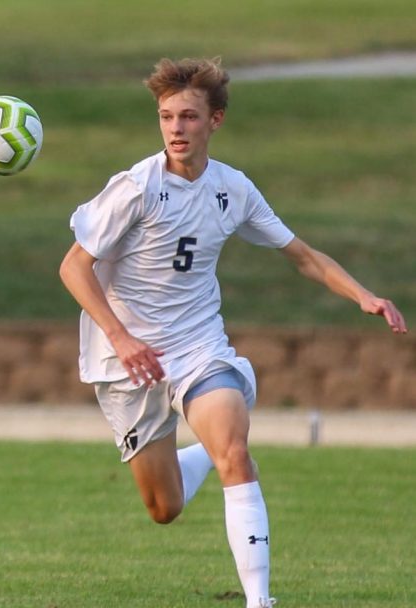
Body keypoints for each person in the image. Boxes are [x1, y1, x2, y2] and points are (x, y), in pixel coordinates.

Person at [59, 57, 407, 608]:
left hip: (198, 348)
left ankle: (259, 600)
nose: (176, 129)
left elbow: (304, 256)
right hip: (126, 360)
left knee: (235, 455)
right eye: (167, 117)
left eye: (189, 117)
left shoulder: (233, 189)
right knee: (163, 507)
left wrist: (363, 294)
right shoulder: (135, 187)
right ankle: (206, 454)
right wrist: (122, 338)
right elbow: (74, 267)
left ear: (215, 120)